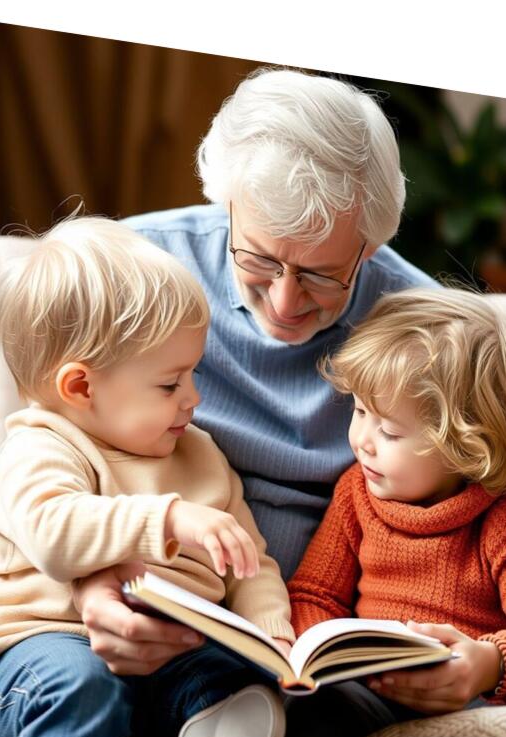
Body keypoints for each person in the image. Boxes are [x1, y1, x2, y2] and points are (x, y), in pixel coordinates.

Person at [72, 67, 438, 689]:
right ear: (228, 205)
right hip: (151, 613)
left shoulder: (421, 326)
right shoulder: (134, 273)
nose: (286, 302)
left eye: (323, 274)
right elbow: (45, 456)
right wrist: (87, 585)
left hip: (329, 652)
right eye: (260, 259)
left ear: (369, 247)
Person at [0, 215, 296, 737]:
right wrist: (170, 517)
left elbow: (249, 562)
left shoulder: (200, 452)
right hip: (40, 647)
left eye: (193, 375)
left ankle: (215, 733)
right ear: (81, 386)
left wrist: (271, 634)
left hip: (171, 658)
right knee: (78, 686)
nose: (193, 399)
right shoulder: (42, 444)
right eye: (169, 383)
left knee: (232, 682)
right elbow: (53, 532)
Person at [283, 287, 506, 737]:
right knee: (315, 714)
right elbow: (315, 595)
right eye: (360, 410)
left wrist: (487, 665)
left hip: (469, 695)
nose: (362, 440)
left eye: (389, 430)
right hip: (371, 691)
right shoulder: (356, 491)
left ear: (465, 445)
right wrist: (321, 654)